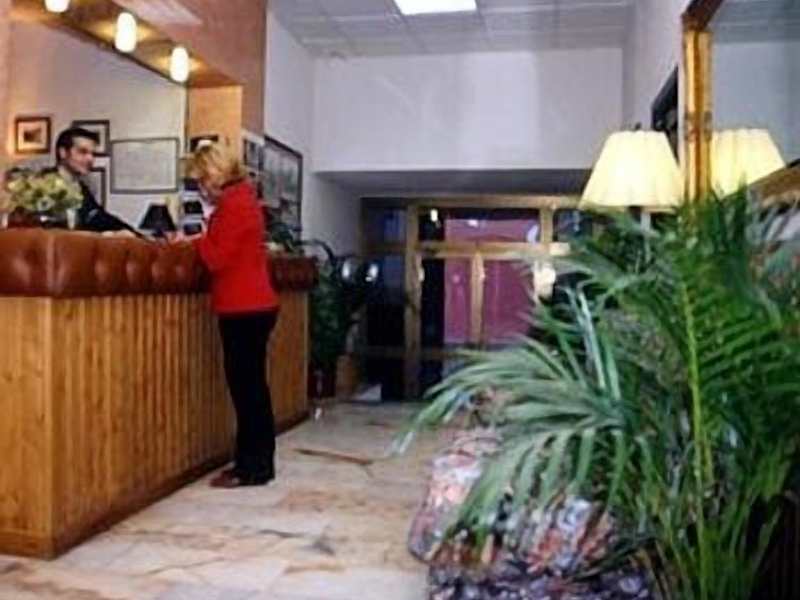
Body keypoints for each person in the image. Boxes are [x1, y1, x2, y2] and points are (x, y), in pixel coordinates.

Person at [187, 143, 280, 488]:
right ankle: (257, 464)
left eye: (201, 180)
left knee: (247, 392)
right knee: (253, 390)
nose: (201, 188)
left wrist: (196, 239)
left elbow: (215, 259)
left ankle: (251, 468)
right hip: (254, 305)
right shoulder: (244, 198)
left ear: (214, 174)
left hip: (243, 308)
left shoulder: (233, 204)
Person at [54, 127, 137, 233]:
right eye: (82, 152)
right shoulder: (40, 185)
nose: (90, 159)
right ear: (63, 153)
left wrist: (135, 234)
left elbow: (99, 217)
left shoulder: (82, 188)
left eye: (93, 154)